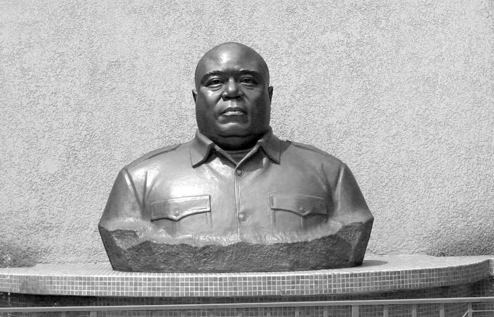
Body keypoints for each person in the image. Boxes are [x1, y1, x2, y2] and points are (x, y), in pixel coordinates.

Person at [98, 42, 374, 272]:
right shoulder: (139, 181)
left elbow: (351, 231)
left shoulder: (330, 174)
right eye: (215, 82)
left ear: (269, 95)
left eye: (247, 81)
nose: (232, 92)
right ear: (196, 99)